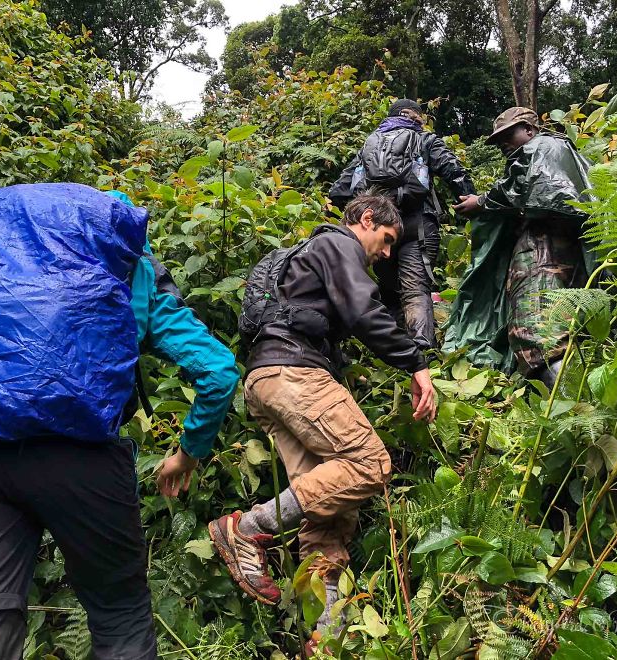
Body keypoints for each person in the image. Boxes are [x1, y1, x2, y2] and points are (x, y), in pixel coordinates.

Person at [0, 189, 239, 659]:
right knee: (119, 618)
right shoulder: (135, 269)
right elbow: (219, 371)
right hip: (80, 458)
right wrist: (187, 453)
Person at [208, 193, 437, 645]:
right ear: (366, 218)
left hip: (266, 379)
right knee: (369, 463)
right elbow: (363, 311)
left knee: (330, 510)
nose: (387, 253)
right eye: (387, 239)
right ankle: (246, 528)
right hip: (295, 371)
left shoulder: (310, 258)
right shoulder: (338, 244)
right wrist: (416, 363)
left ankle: (327, 634)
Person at [450, 107, 592, 386]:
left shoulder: (540, 148)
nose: (503, 143)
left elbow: (524, 190)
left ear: (530, 129)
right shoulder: (565, 153)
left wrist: (479, 202)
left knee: (537, 334)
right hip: (561, 252)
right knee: (556, 328)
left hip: (544, 254)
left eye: (508, 135)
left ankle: (575, 413)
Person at [330, 99, 475, 349]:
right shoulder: (425, 140)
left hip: (377, 227)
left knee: (389, 290)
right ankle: (421, 351)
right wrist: (471, 203)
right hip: (416, 224)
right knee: (416, 288)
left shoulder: (370, 144)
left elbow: (341, 189)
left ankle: (394, 352)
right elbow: (454, 172)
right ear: (416, 117)